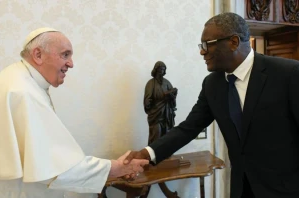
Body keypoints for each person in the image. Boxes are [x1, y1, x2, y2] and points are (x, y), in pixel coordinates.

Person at [124, 12, 299, 198]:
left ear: (233, 42)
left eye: (207, 44)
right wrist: (147, 153)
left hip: (287, 189)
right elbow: (188, 128)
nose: (202, 51)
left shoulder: (288, 74)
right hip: (241, 188)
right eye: (202, 46)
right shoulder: (212, 84)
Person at [0, 28, 148, 197]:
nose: (71, 63)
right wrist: (116, 168)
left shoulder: (14, 79)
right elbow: (54, 168)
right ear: (38, 55)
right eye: (65, 55)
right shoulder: (24, 92)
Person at [144, 61, 177, 144]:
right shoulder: (150, 83)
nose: (161, 71)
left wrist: (172, 95)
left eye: (163, 70)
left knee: (167, 135)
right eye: (160, 69)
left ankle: (166, 154)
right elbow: (147, 100)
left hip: (167, 114)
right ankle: (154, 154)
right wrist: (149, 104)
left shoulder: (167, 83)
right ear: (156, 70)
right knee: (156, 134)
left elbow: (173, 99)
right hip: (156, 114)